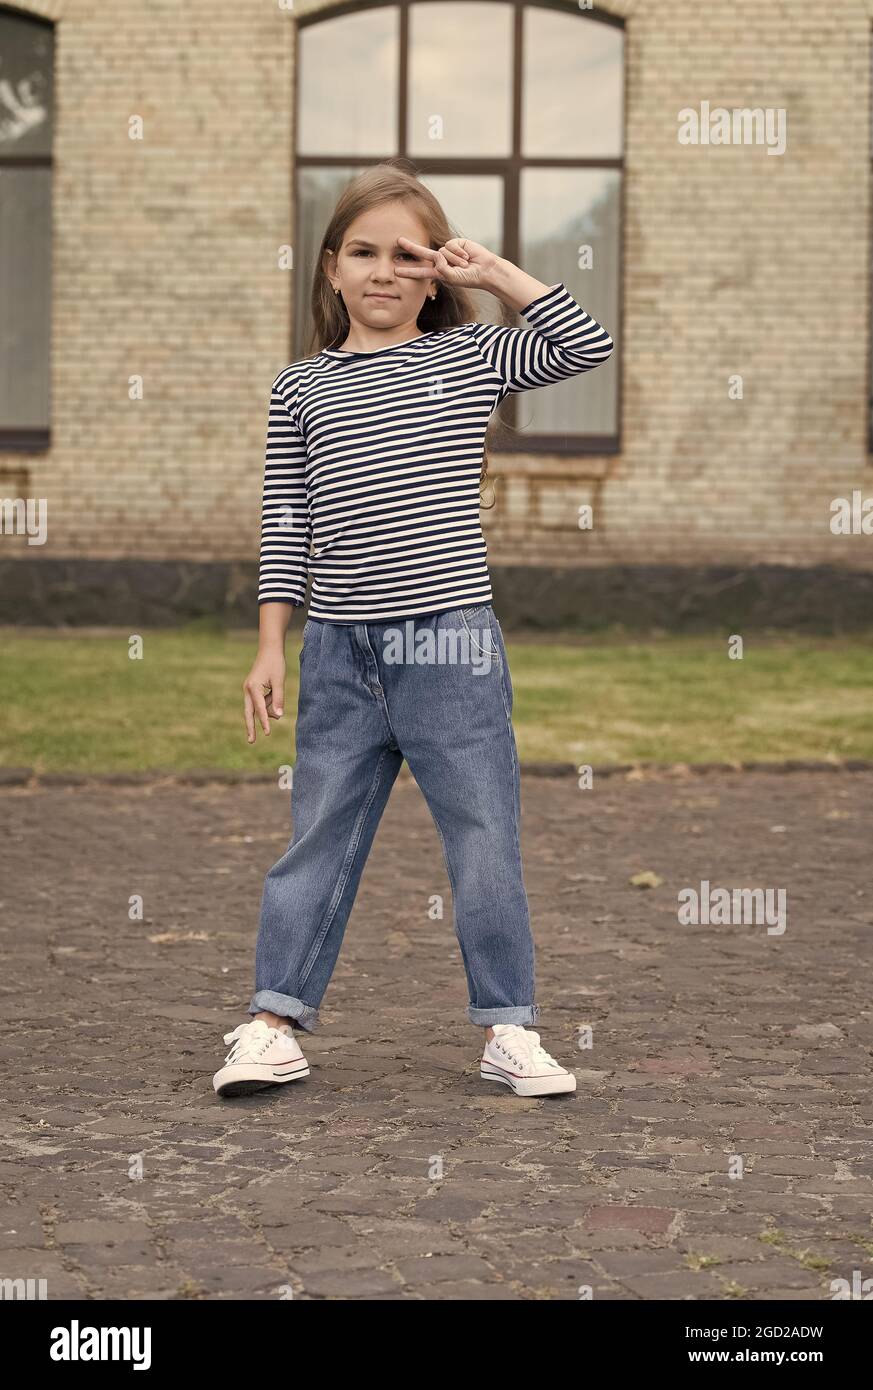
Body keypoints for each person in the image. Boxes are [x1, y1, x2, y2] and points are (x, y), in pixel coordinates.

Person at [213, 160, 613, 1100]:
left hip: (451, 648)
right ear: (329, 268)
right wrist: (272, 645)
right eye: (363, 252)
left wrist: (497, 273)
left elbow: (583, 343)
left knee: (482, 838)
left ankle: (508, 1027)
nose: (383, 271)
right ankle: (273, 1023)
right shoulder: (299, 387)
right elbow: (285, 522)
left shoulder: (469, 357)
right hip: (341, 654)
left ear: (434, 273)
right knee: (316, 837)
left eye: (408, 254)